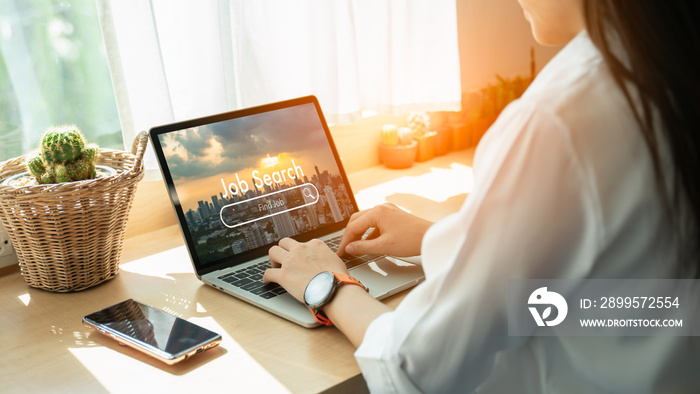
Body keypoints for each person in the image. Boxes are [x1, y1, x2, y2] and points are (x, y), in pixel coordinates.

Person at [263, 0, 700, 392]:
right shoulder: (669, 62)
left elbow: (415, 368)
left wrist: (329, 285)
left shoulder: (558, 119)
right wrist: (450, 237)